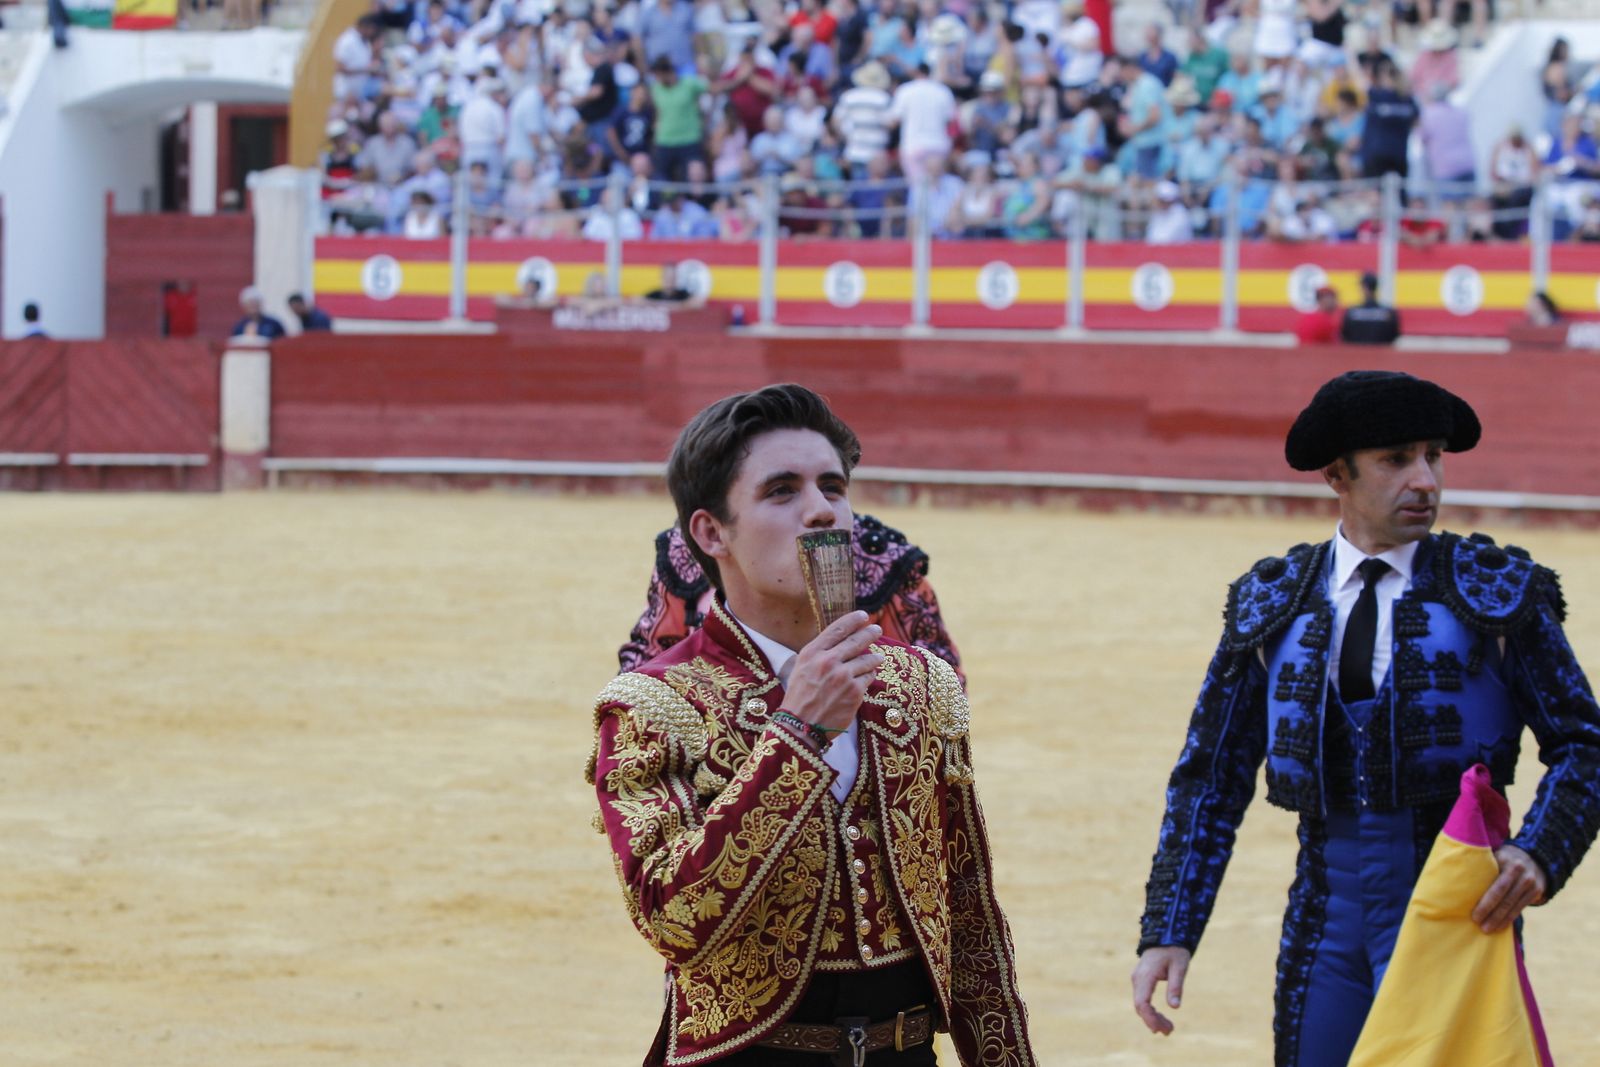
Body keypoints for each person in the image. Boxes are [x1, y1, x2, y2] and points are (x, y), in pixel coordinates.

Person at [1131, 370, 1600, 1067]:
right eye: (1396, 459)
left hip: (1458, 920)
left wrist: (1539, 850)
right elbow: (1210, 776)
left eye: (1433, 456)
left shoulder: (1496, 594)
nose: (1426, 481)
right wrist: (1170, 926)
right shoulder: (1274, 602)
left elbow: (1584, 745)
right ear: (1336, 475)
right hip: (1326, 929)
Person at [589, 384, 1034, 1065]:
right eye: (781, 491)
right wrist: (798, 729)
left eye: (833, 485)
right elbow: (673, 919)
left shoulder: (919, 683)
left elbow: (970, 918)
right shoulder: (654, 704)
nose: (822, 507)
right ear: (712, 532)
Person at [1340, 272, 1401, 345]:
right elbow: (1394, 335)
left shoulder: (1351, 312)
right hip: (1381, 354)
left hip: (1357, 354)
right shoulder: (1389, 312)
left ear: (1365, 288)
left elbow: (1345, 335)